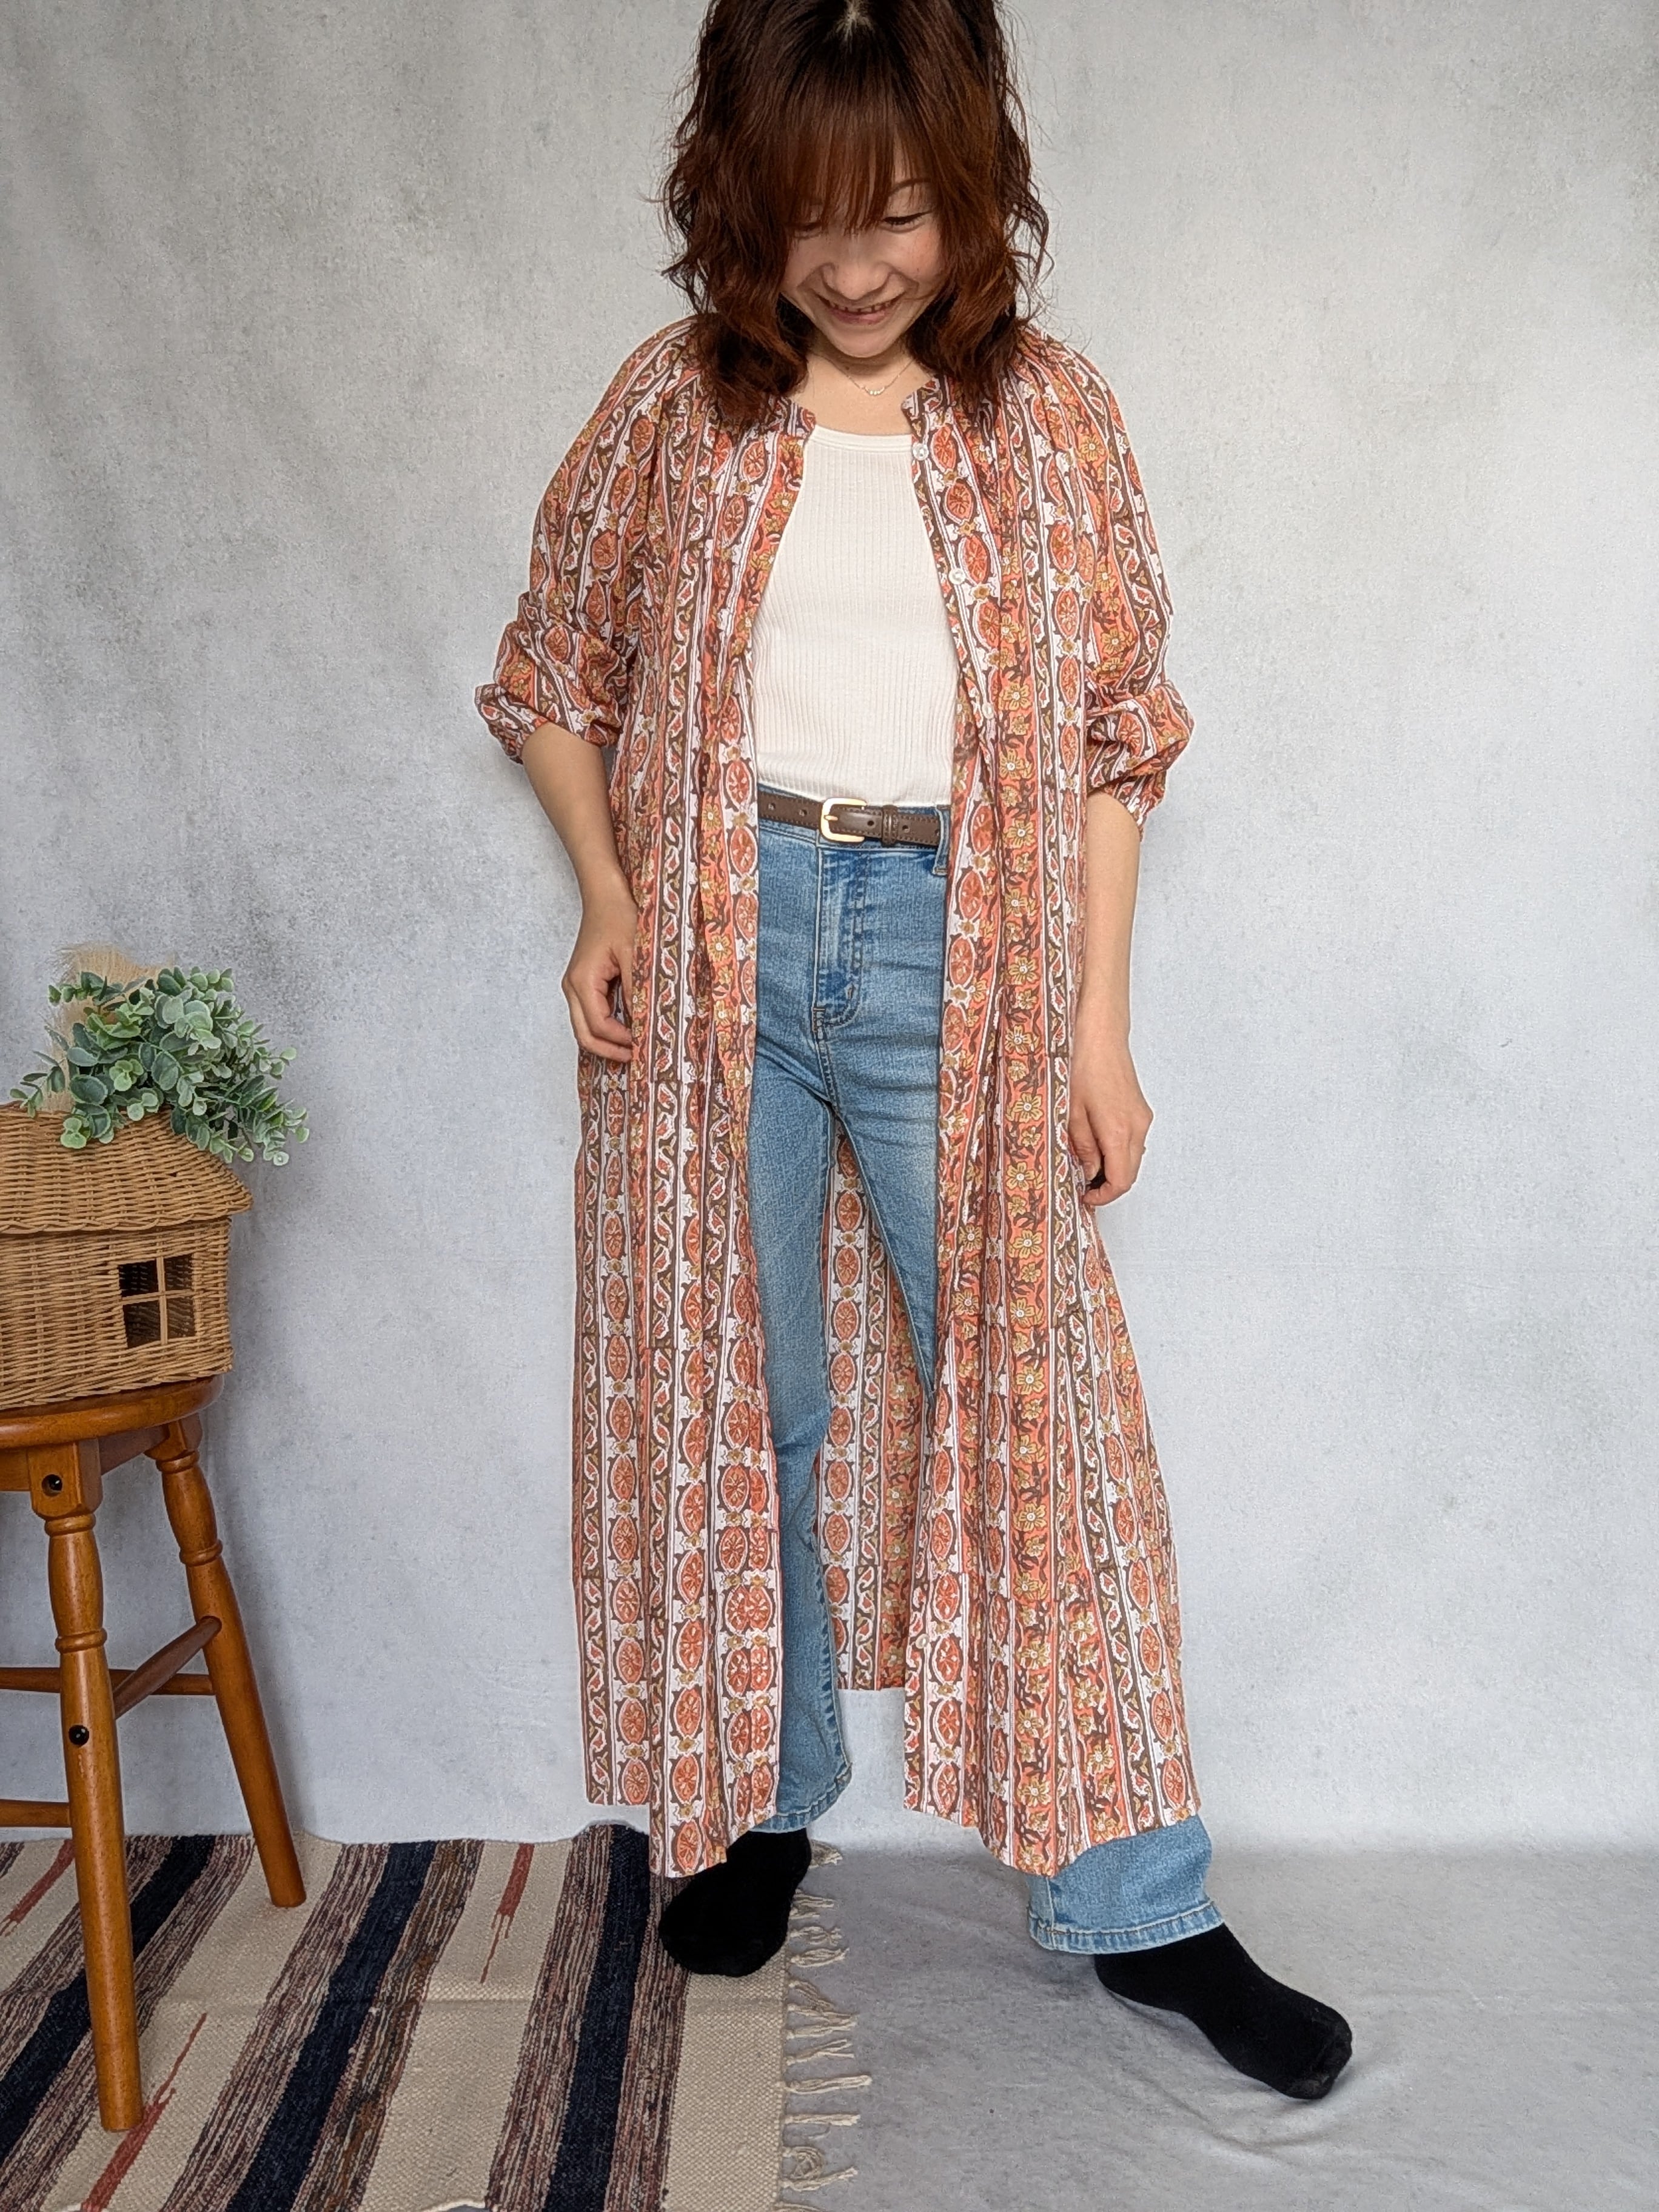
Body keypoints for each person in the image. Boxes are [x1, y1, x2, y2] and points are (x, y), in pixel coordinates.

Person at [478, 0, 1351, 2101]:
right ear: (737, 205)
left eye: (901, 213)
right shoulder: (671, 408)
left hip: (969, 951)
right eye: (810, 217)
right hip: (718, 947)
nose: (859, 265)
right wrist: (606, 895)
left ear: (974, 196)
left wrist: (1096, 1029)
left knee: (1039, 1414)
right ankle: (768, 1806)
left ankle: (1143, 1900)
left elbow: (1118, 742)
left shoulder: (1053, 419)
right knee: (747, 1401)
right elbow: (552, 676)